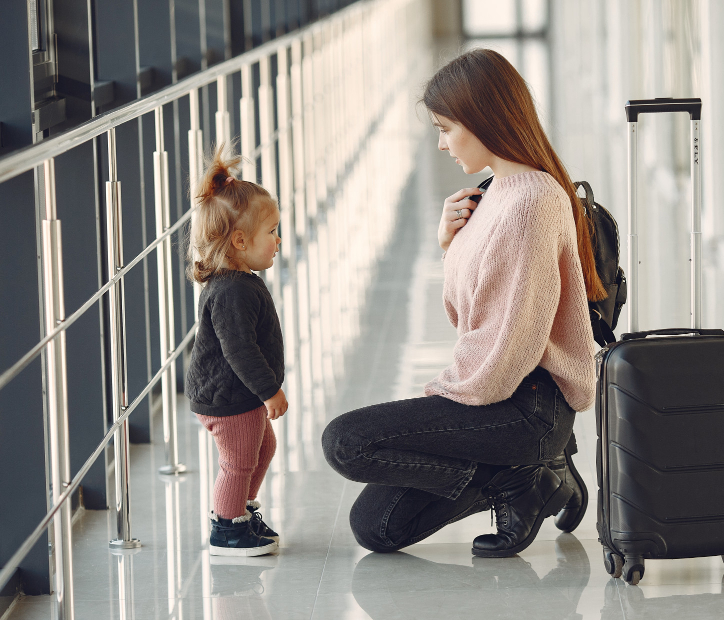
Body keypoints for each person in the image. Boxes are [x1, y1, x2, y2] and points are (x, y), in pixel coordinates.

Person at [323, 49, 602, 557]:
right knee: (376, 527)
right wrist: (451, 246)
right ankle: (528, 476)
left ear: (482, 119)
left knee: (346, 441)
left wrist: (446, 400)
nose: (441, 143)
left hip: (525, 405)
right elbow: (466, 314)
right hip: (499, 395)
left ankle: (526, 472)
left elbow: (512, 345)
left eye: (446, 128)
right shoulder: (494, 191)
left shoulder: (533, 202)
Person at [185, 145, 287, 557]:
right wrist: (269, 392)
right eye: (272, 232)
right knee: (240, 460)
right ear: (240, 240)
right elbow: (239, 350)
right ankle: (227, 528)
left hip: (235, 393)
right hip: (230, 397)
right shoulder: (231, 290)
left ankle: (238, 509)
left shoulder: (240, 279)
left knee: (263, 449)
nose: (278, 240)